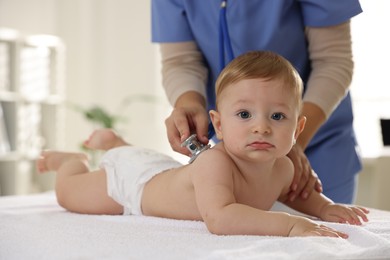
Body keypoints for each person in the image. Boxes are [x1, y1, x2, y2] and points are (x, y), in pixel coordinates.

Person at [37, 51, 368, 238]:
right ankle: (70, 161)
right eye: (244, 114)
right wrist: (292, 224)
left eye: (278, 117)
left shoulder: (284, 167)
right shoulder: (215, 163)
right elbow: (221, 218)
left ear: (298, 129)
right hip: (132, 185)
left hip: (159, 169)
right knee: (70, 194)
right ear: (219, 124)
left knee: (138, 159)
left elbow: (301, 193)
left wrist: (324, 207)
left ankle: (116, 143)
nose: (262, 127)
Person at [151, 0, 363, 204]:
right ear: (217, 123)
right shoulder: (223, 163)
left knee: (326, 234)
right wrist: (189, 103)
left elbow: (332, 61)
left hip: (320, 143)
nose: (261, 128)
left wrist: (292, 139)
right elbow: (181, 61)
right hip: (240, 149)